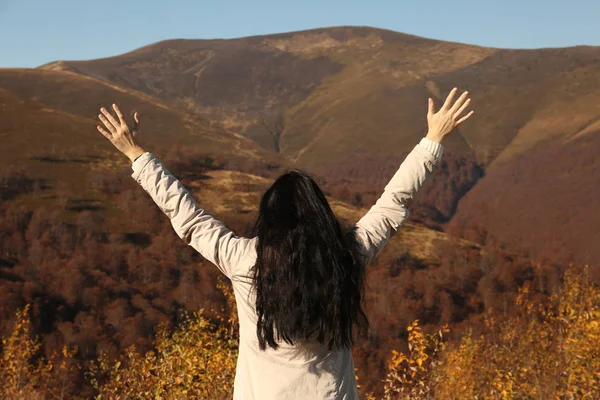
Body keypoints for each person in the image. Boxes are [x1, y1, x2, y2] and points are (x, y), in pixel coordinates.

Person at [96, 88, 473, 399]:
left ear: (270, 218)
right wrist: (433, 139)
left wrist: (135, 153)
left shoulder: (245, 262)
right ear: (321, 215)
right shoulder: (346, 257)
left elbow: (189, 218)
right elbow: (395, 203)